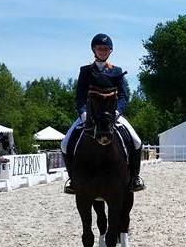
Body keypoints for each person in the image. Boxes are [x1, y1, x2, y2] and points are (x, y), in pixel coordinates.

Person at [61, 33, 144, 193]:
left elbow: (124, 95)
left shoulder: (116, 71)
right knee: (65, 143)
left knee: (137, 141)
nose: (103, 51)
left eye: (106, 49)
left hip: (112, 115)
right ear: (94, 49)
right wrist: (83, 113)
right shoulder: (85, 71)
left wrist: (117, 111)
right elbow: (79, 96)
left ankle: (134, 178)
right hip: (90, 115)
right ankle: (73, 181)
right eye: (100, 48)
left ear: (110, 51)